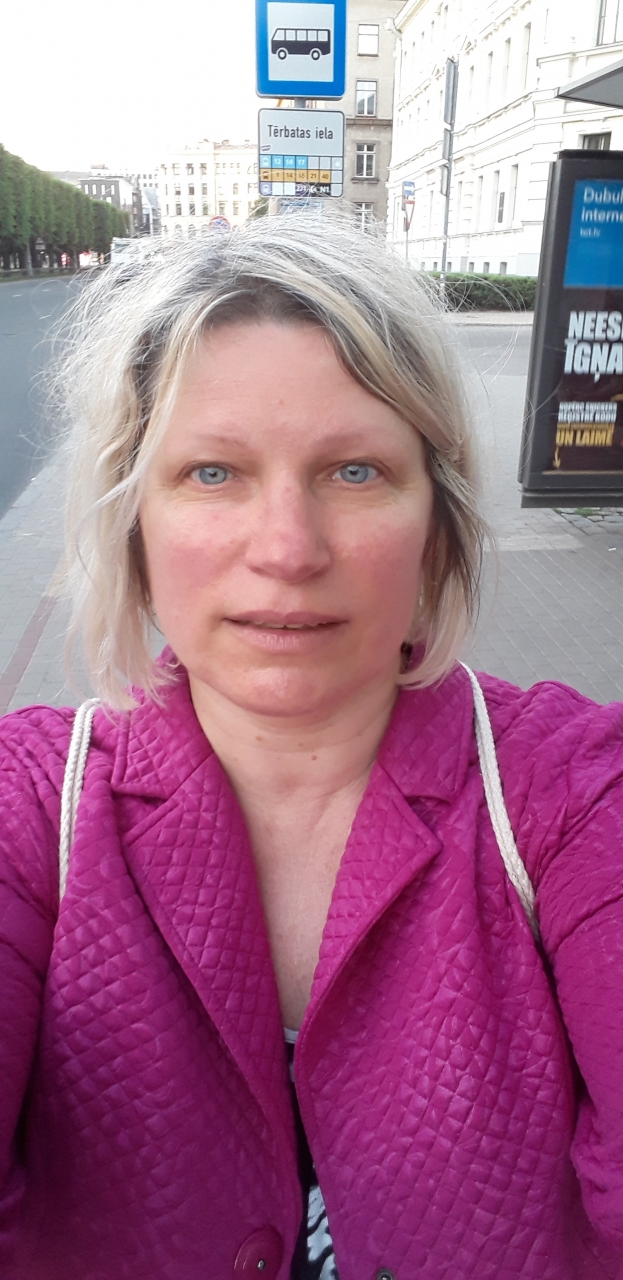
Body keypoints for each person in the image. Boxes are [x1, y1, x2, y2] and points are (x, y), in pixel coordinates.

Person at [0, 214, 621, 1280]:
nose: (287, 549)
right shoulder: (28, 809)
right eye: (211, 472)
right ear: (132, 526)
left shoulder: (570, 794)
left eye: (354, 472)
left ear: (436, 527)